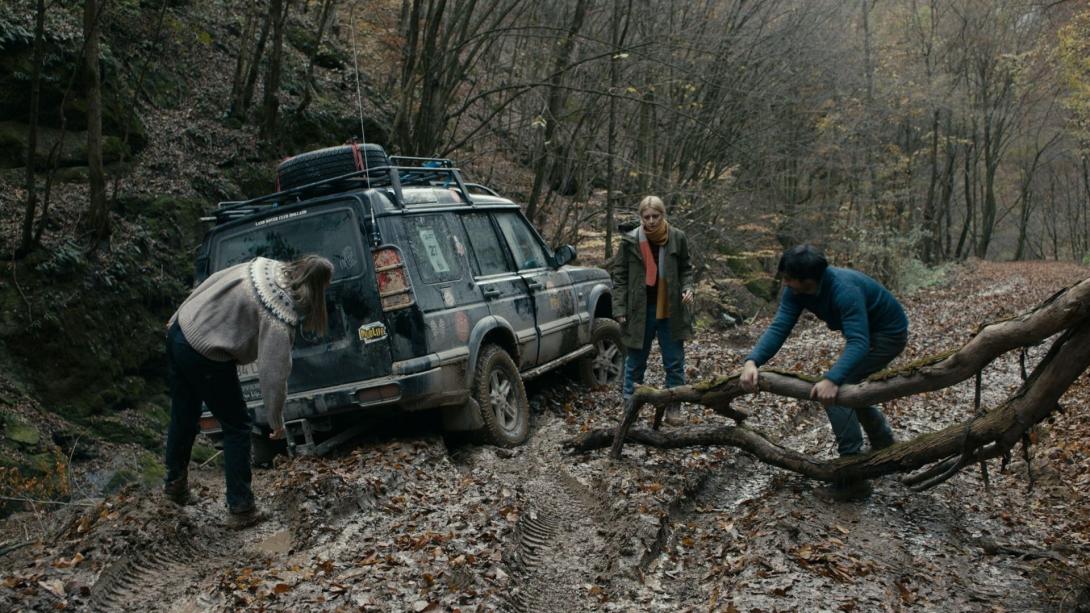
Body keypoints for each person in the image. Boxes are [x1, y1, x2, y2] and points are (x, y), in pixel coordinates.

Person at [162, 255, 333, 527]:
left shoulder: (264, 266)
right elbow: (273, 372)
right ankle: (241, 508)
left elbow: (213, 282)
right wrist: (276, 420)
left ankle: (174, 487)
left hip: (181, 330)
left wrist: (176, 317)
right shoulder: (280, 309)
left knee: (184, 414)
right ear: (318, 287)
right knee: (238, 426)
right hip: (205, 351)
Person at [740, 244, 908, 500]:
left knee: (837, 394)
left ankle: (853, 476)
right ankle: (884, 443)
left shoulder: (844, 290)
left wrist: (832, 379)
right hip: (867, 335)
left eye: (788, 279)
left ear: (808, 280)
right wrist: (753, 361)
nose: (784, 284)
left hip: (887, 335)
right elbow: (780, 326)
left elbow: (859, 342)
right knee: (849, 388)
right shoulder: (796, 292)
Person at [612, 196, 695, 426]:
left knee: (674, 361)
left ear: (663, 215)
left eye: (655, 216)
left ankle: (674, 406)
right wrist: (619, 309)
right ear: (641, 217)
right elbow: (619, 277)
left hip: (670, 308)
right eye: (646, 217)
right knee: (635, 361)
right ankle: (630, 407)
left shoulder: (677, 237)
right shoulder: (630, 241)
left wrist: (688, 289)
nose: (650, 221)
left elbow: (686, 269)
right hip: (639, 309)